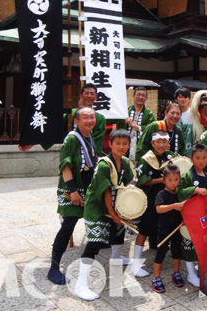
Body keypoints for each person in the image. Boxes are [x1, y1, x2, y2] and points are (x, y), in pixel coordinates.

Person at [75, 129, 135, 301]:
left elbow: (128, 182)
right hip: (97, 209)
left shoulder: (124, 162)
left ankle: (116, 258)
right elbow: (106, 192)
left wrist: (128, 199)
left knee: (118, 231)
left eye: (125, 144)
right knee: (94, 244)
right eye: (117, 143)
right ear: (110, 144)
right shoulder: (104, 165)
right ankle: (80, 284)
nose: (121, 146)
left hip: (114, 206)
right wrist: (113, 213)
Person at [46, 106, 98, 285]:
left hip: (85, 189)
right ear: (76, 121)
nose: (90, 120)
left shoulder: (88, 135)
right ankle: (53, 268)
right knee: (67, 226)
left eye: (92, 117)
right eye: (85, 117)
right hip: (71, 190)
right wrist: (74, 191)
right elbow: (65, 166)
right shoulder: (72, 139)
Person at [131, 130, 180, 276]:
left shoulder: (171, 157)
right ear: (152, 143)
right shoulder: (146, 159)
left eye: (164, 142)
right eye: (158, 142)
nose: (161, 145)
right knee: (144, 229)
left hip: (170, 197)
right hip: (152, 199)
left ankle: (170, 253)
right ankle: (135, 263)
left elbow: (182, 167)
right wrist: (164, 179)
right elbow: (141, 180)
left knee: (169, 226)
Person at [177, 143, 207, 286]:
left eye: (204, 158)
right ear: (191, 158)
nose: (201, 161)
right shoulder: (186, 176)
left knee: (205, 244)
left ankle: (204, 270)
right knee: (189, 244)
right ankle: (191, 274)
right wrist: (195, 190)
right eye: (197, 158)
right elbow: (180, 192)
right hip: (192, 218)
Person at [151, 163, 185, 293]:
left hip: (177, 230)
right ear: (164, 180)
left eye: (176, 179)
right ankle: (156, 278)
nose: (173, 183)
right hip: (164, 230)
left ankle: (176, 273)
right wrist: (173, 206)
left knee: (176, 252)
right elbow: (158, 209)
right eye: (170, 180)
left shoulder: (180, 193)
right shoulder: (162, 194)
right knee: (160, 254)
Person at [116, 86, 156, 160]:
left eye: (143, 95)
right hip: (124, 145)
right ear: (133, 96)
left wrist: (133, 125)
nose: (140, 97)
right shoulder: (125, 111)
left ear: (147, 98)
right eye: (138, 94)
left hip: (140, 148)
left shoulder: (150, 114)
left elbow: (150, 130)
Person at [73, 83, 106, 155]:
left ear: (96, 97)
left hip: (90, 155)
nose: (89, 96)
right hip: (72, 151)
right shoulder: (71, 114)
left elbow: (97, 142)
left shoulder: (100, 118)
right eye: (86, 93)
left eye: (92, 94)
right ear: (81, 95)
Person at [175, 88, 194, 156]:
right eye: (180, 97)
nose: (183, 99)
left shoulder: (193, 114)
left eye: (185, 97)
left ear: (189, 99)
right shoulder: (172, 113)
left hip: (189, 147)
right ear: (176, 99)